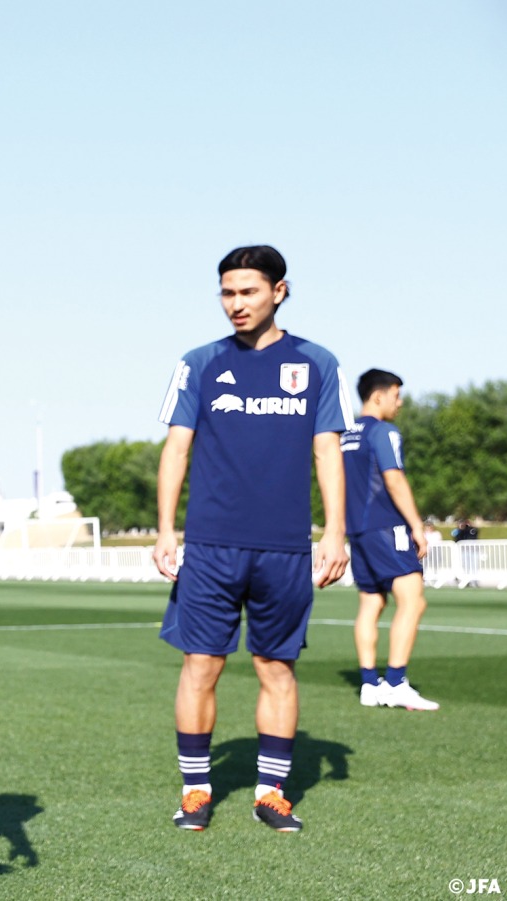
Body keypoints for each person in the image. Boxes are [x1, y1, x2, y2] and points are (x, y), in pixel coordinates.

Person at [152, 245, 351, 833]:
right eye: (227, 293)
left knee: (276, 669)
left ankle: (271, 793)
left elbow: (327, 450)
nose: (235, 304)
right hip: (211, 546)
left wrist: (335, 532)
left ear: (279, 291)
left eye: (247, 292)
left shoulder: (316, 363)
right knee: (200, 666)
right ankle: (195, 791)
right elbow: (177, 448)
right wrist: (167, 529)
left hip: (285, 548)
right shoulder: (200, 362)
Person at [342, 369, 438, 711]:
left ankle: (370, 685)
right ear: (378, 395)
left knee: (372, 603)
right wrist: (415, 524)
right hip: (386, 526)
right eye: (396, 395)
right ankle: (396, 682)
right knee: (413, 600)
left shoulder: (345, 434)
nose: (400, 403)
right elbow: (393, 479)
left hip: (358, 530)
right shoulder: (384, 432)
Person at [451, 518, 480, 586]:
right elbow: (455, 537)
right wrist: (460, 529)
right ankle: (467, 579)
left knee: (473, 566)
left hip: (473, 551)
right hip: (463, 551)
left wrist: (471, 524)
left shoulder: (470, 529)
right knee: (465, 566)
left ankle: (474, 580)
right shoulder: (457, 531)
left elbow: (475, 533)